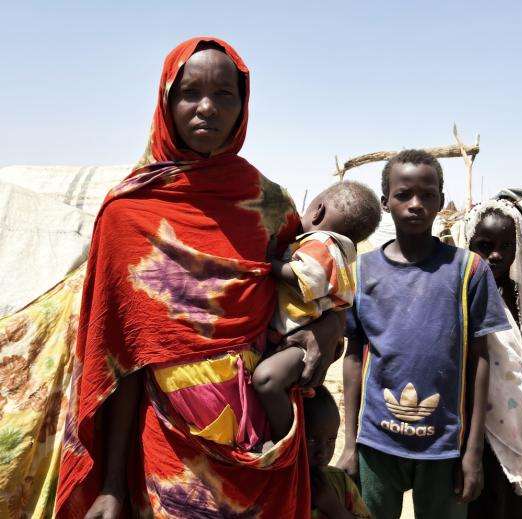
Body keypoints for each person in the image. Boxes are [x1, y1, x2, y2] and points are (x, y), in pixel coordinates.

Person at [55, 37, 344, 519]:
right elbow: (122, 358)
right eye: (190, 93)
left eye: (224, 95)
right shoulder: (129, 213)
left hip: (263, 445)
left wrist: (330, 325)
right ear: (166, 101)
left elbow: (311, 297)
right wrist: (110, 484)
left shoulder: (268, 205)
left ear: (243, 105)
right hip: (169, 444)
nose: (206, 108)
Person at [337, 149, 510, 519]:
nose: (416, 204)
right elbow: (353, 358)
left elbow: (480, 360)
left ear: (441, 201)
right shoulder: (362, 272)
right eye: (403, 195)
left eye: (427, 195)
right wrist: (350, 443)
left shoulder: (469, 271)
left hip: (445, 447)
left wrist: (473, 452)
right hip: (376, 443)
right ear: (386, 202)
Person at [253, 182, 381, 440]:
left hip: (302, 339)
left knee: (266, 380)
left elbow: (307, 276)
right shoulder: (343, 250)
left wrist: (272, 264)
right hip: (302, 334)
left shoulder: (322, 243)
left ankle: (285, 439)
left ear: (318, 211)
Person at [464, 199, 522, 518]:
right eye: (484, 246)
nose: (496, 255)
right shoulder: (458, 293)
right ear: (468, 243)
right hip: (471, 420)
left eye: (506, 245)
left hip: (516, 419)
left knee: (512, 502)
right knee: (479, 501)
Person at [305, 385, 371, 519]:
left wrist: (334, 508)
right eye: (311, 440)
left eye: (331, 440)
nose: (322, 452)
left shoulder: (340, 482)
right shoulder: (279, 486)